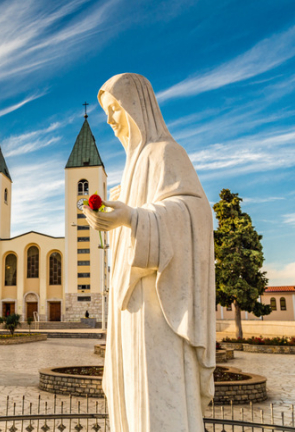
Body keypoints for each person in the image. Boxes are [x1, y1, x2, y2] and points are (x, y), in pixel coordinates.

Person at [84, 73, 216, 431]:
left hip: (158, 304)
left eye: (114, 109)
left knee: (157, 393)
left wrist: (133, 217)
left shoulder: (167, 154)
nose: (110, 119)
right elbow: (129, 227)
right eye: (107, 112)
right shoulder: (129, 170)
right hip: (129, 305)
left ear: (136, 107)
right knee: (131, 392)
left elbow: (196, 214)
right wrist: (111, 221)